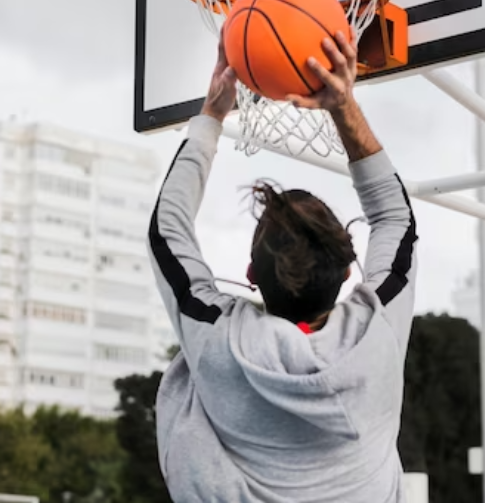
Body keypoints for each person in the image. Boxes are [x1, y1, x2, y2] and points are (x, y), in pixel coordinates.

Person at [147, 30, 418, 502]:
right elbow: (396, 218)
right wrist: (343, 105)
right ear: (349, 273)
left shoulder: (218, 340)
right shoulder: (377, 337)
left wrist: (212, 114)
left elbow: (166, 230)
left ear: (251, 276)